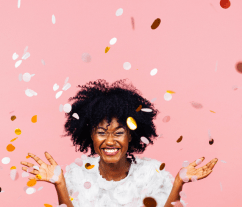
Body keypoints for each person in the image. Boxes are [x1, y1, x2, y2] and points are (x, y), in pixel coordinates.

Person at [20, 79, 217, 207]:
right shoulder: (77, 173)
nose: (110, 141)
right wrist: (60, 184)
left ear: (131, 136)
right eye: (101, 132)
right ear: (90, 135)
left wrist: (178, 182)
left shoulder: (152, 173)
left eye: (119, 133)